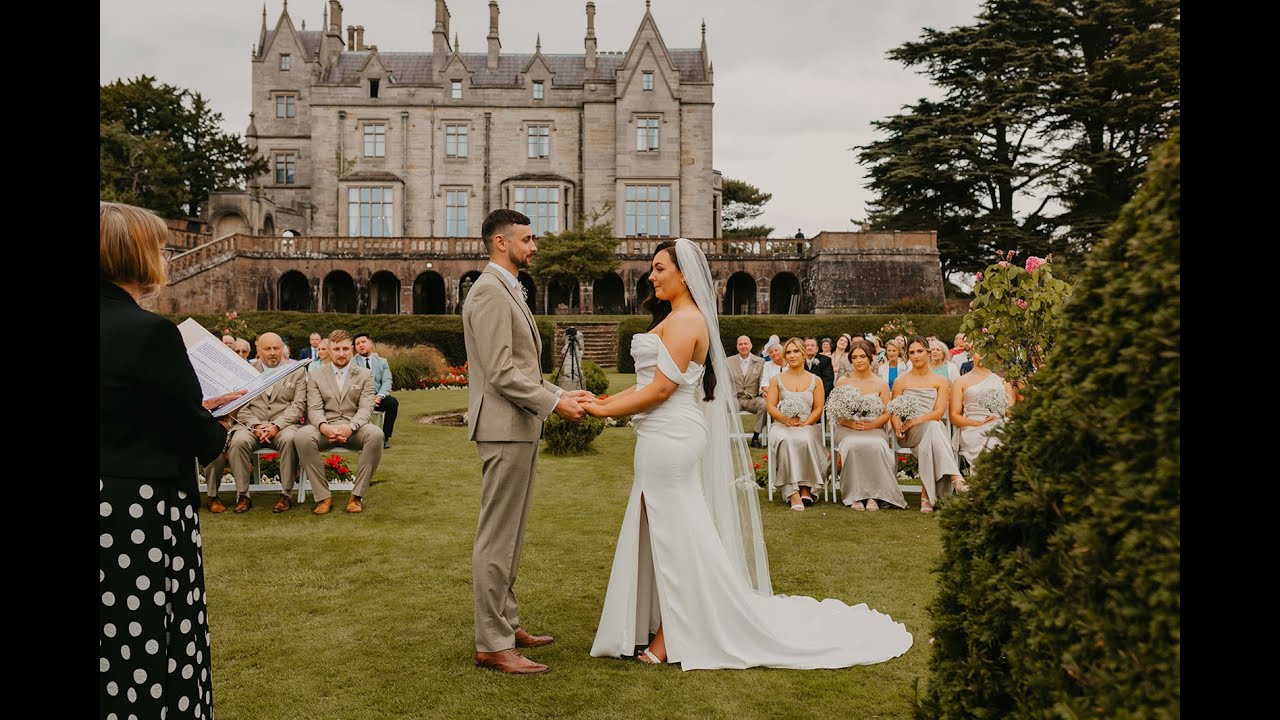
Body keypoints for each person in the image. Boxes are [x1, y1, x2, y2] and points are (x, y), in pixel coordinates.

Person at [582, 239, 911, 669]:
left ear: (684, 274)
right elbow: (650, 385)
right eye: (652, 268)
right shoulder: (678, 318)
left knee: (678, 533)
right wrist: (601, 402)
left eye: (659, 268)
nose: (651, 275)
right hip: (661, 436)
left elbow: (661, 390)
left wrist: (600, 409)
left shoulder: (685, 322)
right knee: (661, 525)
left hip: (672, 437)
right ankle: (658, 618)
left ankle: (670, 635)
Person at [100, 201, 245, 719]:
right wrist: (219, 424)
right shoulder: (149, 332)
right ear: (136, 257)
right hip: (136, 512)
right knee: (144, 641)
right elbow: (197, 438)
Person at [462, 209, 594, 675]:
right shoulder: (491, 292)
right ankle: (493, 644)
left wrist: (560, 392)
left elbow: (522, 368)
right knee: (497, 537)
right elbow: (501, 373)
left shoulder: (507, 287)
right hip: (502, 428)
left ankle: (506, 622)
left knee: (511, 536)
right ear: (501, 242)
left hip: (515, 426)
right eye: (527, 239)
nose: (534, 246)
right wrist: (554, 404)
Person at [294, 330, 384, 514]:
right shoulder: (316, 375)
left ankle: (357, 496)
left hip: (355, 427)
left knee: (376, 434)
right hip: (325, 427)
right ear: (329, 350)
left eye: (345, 349)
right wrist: (324, 427)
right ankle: (323, 496)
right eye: (336, 349)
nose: (341, 353)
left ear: (352, 350)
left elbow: (366, 408)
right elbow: (314, 409)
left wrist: (351, 427)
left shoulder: (365, 375)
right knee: (302, 436)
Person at [226, 332, 308, 513]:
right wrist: (256, 425)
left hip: (283, 425)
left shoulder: (297, 371)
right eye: (268, 349)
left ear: (282, 349)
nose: (272, 353)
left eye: (276, 348)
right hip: (251, 426)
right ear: (258, 350)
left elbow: (298, 406)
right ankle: (243, 495)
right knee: (238, 442)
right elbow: (239, 405)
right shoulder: (245, 371)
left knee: (289, 440)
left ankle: (286, 494)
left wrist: (276, 425)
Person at [891, 337, 963, 513]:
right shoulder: (901, 381)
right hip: (908, 433)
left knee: (932, 428)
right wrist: (897, 427)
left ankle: (926, 497)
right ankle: (956, 478)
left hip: (929, 428)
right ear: (908, 356)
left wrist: (915, 421)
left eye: (920, 351)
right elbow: (893, 412)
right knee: (934, 428)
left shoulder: (940, 381)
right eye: (912, 352)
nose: (916, 356)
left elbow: (938, 413)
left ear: (928, 353)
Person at [832, 340, 905, 511]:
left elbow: (887, 412)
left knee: (877, 445)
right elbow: (835, 411)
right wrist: (849, 423)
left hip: (873, 428)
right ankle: (855, 494)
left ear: (870, 358)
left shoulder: (880, 383)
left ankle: (874, 494)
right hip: (847, 428)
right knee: (852, 445)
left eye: (862, 356)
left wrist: (872, 425)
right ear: (850, 360)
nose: (859, 360)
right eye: (855, 357)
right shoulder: (843, 381)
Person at [766, 337, 828, 511]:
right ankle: (792, 492)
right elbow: (770, 406)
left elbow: (818, 407)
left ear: (803, 354)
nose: (792, 355)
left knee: (807, 438)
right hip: (782, 425)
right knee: (786, 440)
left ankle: (807, 487)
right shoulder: (776, 379)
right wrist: (785, 420)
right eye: (788, 352)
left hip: (807, 424)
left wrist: (806, 422)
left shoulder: (816, 380)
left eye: (796, 351)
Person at [949, 350, 1015, 468]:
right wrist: (977, 423)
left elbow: (1010, 412)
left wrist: (1003, 414)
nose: (982, 355)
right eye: (979, 351)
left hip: (999, 423)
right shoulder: (960, 382)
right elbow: (954, 416)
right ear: (972, 354)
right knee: (993, 439)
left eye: (985, 352)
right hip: (973, 427)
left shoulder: (1003, 382)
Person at [353, 332, 398, 449]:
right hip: (359, 400)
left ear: (370, 344)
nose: (361, 345)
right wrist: (368, 398)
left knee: (392, 403)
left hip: (378, 399)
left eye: (363, 342)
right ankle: (357, 438)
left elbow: (387, 381)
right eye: (357, 344)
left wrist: (379, 396)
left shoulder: (382, 362)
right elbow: (352, 384)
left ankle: (384, 438)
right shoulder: (352, 363)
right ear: (355, 348)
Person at [727, 335, 767, 448]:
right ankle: (724, 436)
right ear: (737, 346)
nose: (743, 346)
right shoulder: (728, 361)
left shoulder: (761, 362)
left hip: (752, 399)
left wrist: (762, 392)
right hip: (736, 399)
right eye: (740, 344)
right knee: (721, 404)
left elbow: (762, 380)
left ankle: (755, 438)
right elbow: (725, 381)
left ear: (750, 345)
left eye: (746, 344)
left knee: (764, 404)